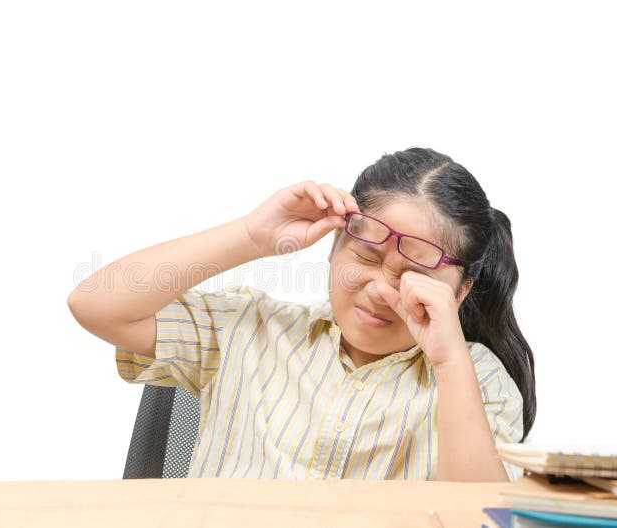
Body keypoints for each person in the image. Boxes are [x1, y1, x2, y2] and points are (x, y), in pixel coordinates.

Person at [67, 147, 536, 483]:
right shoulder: (249, 328)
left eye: (412, 275)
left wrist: (449, 363)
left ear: (460, 292)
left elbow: (477, 519)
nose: (379, 290)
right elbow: (94, 304)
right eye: (367, 259)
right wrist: (251, 236)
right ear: (335, 246)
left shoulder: (479, 380)